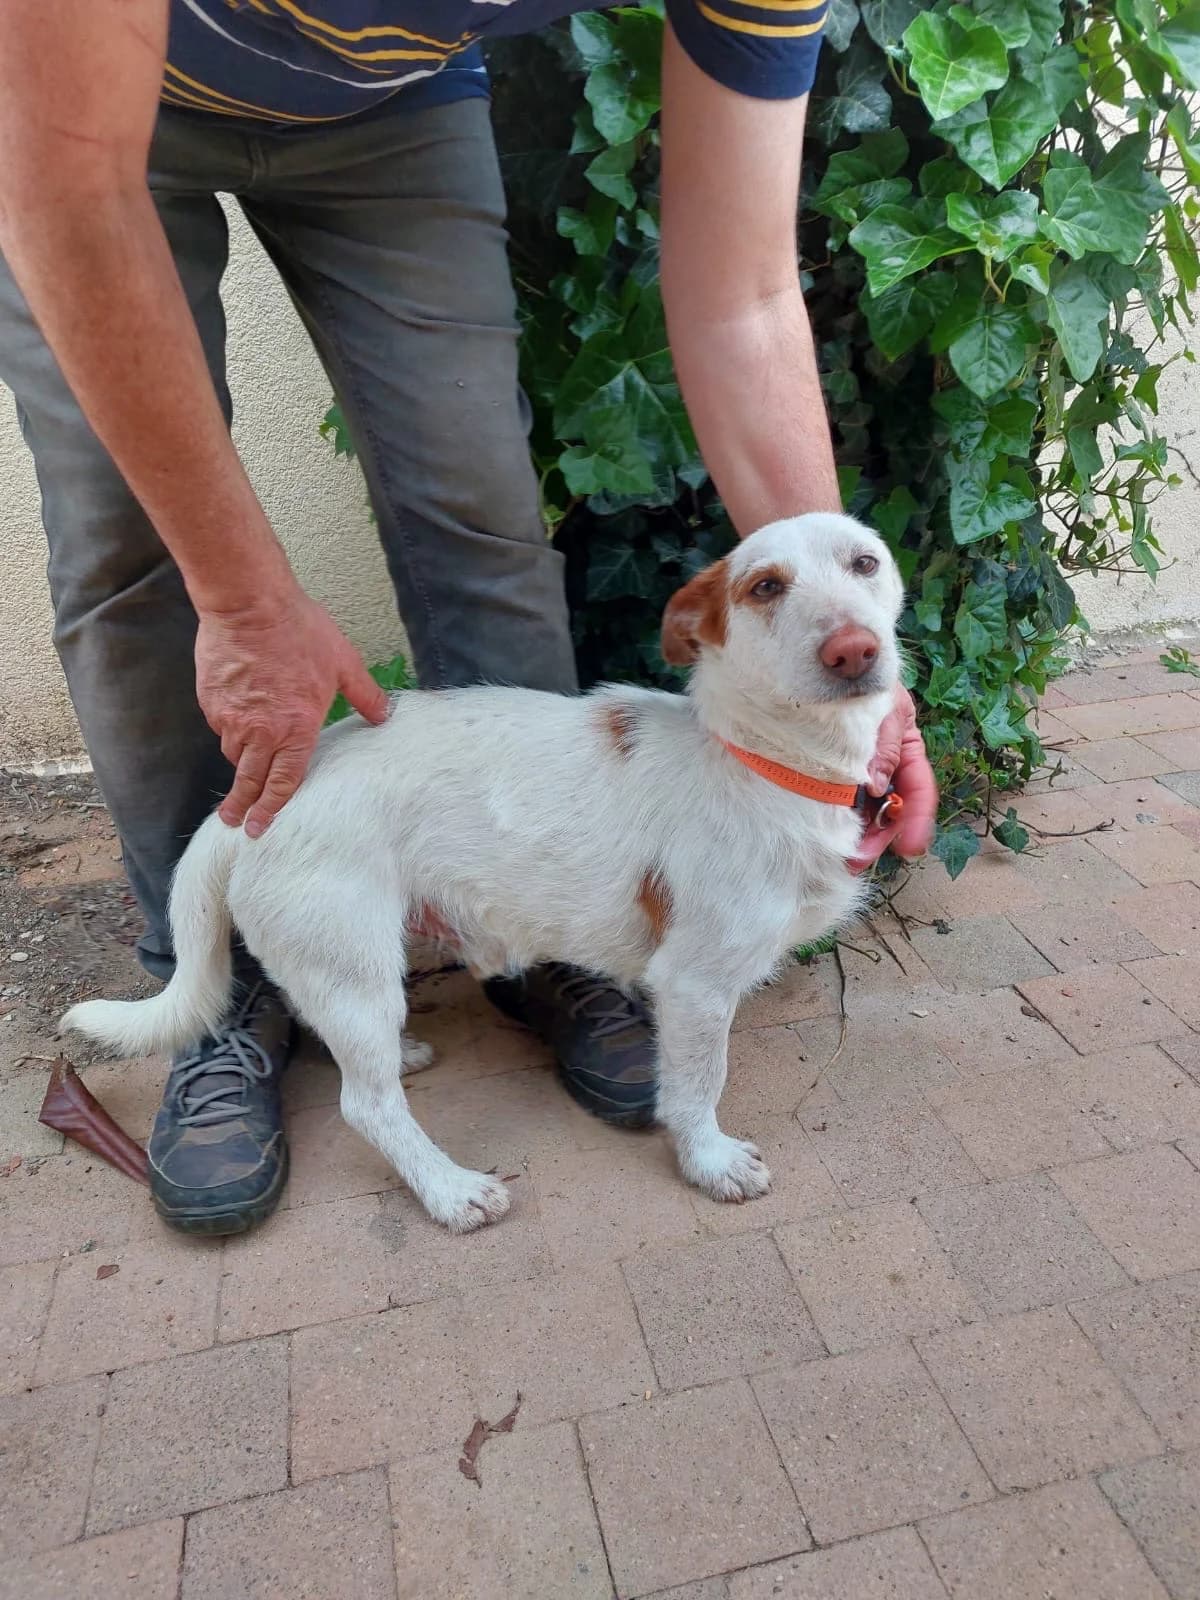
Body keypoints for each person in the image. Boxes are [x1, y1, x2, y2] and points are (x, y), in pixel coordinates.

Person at [0, 0, 937, 1237]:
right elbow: (66, 183)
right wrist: (243, 600)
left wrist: (845, 657)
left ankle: (561, 938)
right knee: (127, 545)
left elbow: (746, 293)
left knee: (482, 516)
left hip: (398, 103)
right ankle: (220, 988)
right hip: (93, 100)